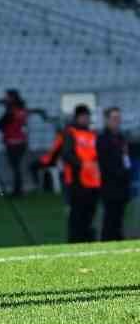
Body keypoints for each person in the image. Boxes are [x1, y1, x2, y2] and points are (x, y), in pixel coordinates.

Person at [42, 104, 102, 243]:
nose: (86, 119)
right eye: (83, 116)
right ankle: (75, 240)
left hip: (93, 180)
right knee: (76, 213)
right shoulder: (70, 133)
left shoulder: (92, 134)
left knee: (90, 212)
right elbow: (66, 154)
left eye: (88, 116)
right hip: (76, 180)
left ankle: (88, 238)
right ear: (77, 117)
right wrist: (82, 165)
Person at [97, 107, 130, 242]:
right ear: (107, 120)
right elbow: (104, 162)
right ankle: (107, 241)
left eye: (118, 118)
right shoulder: (103, 139)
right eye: (114, 118)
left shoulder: (121, 137)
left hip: (122, 183)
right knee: (110, 216)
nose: (117, 121)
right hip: (109, 183)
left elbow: (125, 157)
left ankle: (118, 239)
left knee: (119, 215)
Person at [0, 90, 30, 197]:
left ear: (12, 98)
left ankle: (18, 190)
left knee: (15, 167)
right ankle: (18, 189)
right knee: (17, 166)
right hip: (22, 141)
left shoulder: (11, 111)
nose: (5, 99)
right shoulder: (22, 110)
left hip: (12, 141)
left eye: (7, 97)